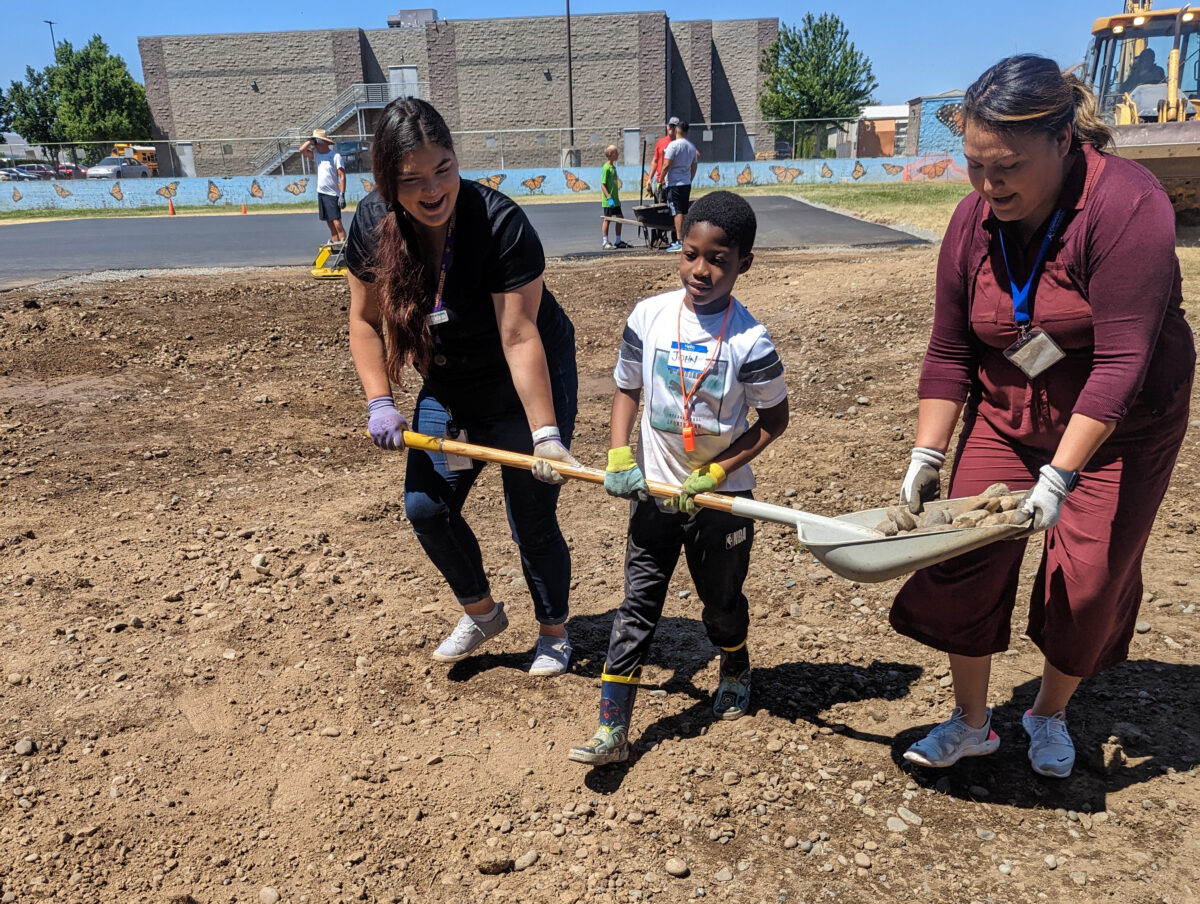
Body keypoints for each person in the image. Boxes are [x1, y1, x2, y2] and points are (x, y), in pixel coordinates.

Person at [891, 55, 1194, 779]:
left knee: (1088, 583)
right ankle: (972, 722)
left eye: (1007, 168)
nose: (987, 186)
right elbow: (949, 350)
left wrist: (1059, 477)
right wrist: (927, 454)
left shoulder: (1127, 206)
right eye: (974, 166)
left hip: (1120, 426)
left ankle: (1047, 713)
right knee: (965, 554)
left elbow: (1121, 363)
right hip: (1010, 414)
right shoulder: (972, 222)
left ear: (1063, 140)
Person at [344, 97, 581, 676]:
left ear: (456, 159)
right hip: (449, 380)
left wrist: (545, 435)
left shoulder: (499, 222)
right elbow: (364, 321)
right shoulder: (372, 224)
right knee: (426, 506)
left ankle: (553, 631)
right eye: (411, 179)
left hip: (526, 380)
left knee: (531, 518)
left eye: (443, 169)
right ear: (387, 181)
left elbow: (519, 334)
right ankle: (482, 612)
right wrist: (380, 402)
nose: (432, 190)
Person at [568, 191, 789, 765]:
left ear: (744, 264)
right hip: (655, 492)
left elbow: (775, 420)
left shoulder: (750, 342)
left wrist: (718, 471)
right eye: (690, 254)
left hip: (720, 502)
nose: (700, 270)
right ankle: (612, 729)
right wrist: (620, 454)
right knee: (638, 604)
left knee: (720, 603)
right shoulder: (649, 316)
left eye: (718, 259)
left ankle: (734, 661)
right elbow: (627, 388)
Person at [300, 128, 348, 243]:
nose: (317, 144)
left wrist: (342, 195)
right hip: (322, 193)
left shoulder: (335, 156)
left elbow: (342, 176)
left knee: (337, 222)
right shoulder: (317, 155)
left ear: (325, 142)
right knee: (329, 223)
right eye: (316, 141)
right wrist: (311, 141)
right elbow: (302, 150)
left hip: (332, 194)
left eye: (319, 141)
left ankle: (344, 244)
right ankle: (335, 245)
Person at [661, 121, 700, 253]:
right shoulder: (691, 146)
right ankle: (685, 238)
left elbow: (666, 164)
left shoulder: (673, 145)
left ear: (677, 130)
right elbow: (694, 166)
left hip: (674, 184)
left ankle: (679, 241)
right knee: (684, 211)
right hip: (686, 183)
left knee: (676, 211)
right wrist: (690, 179)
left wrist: (660, 180)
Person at [600, 145, 629, 250]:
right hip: (609, 200)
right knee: (607, 219)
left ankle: (618, 240)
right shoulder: (606, 168)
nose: (617, 154)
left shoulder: (613, 167)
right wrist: (608, 197)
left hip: (615, 200)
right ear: (609, 155)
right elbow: (602, 185)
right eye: (615, 153)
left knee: (620, 218)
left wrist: (615, 199)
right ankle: (605, 242)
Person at [649, 117, 680, 203]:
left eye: (675, 126)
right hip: (660, 181)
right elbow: (655, 161)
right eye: (670, 126)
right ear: (667, 127)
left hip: (674, 182)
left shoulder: (681, 143)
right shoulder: (661, 142)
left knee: (674, 208)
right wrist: (649, 178)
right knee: (659, 207)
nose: (672, 128)